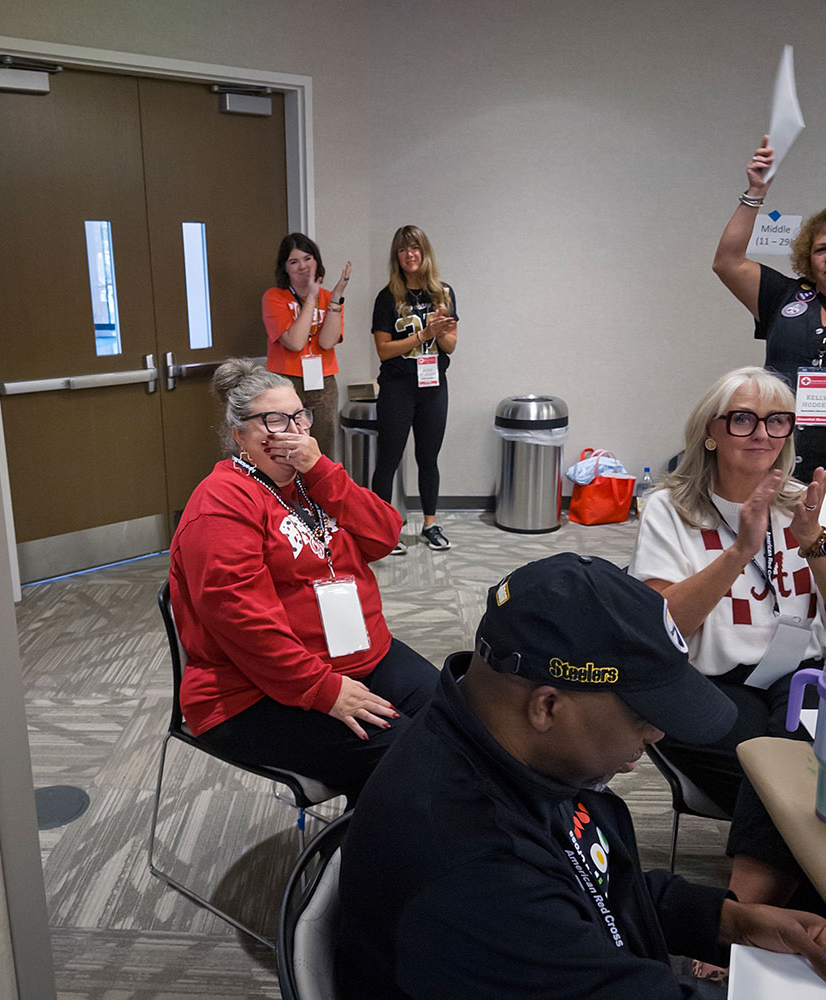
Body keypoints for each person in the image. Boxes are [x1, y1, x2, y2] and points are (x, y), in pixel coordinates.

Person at [337, 553, 826, 999]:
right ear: (547, 706)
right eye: (642, 714)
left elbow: (593, 880)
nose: (656, 734)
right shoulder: (478, 877)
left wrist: (732, 921)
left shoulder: (497, 739)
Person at [168, 359, 437, 804]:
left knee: (455, 719)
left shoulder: (312, 483)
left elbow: (385, 535)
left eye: (298, 417)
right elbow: (243, 623)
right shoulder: (221, 503)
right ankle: (371, 858)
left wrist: (325, 472)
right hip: (251, 692)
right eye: (273, 420)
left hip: (359, 654)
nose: (291, 431)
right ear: (240, 435)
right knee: (411, 758)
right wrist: (325, 690)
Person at [629, 367, 825, 910]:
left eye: (776, 421)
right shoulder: (670, 508)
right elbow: (661, 626)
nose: (762, 433)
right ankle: (754, 919)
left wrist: (813, 546)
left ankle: (749, 920)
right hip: (703, 680)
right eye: (743, 419)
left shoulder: (808, 505)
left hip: (799, 674)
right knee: (789, 765)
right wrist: (739, 550)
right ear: (710, 432)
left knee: (796, 755)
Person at [712, 135, 826, 482]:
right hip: (781, 457)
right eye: (822, 249)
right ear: (808, 257)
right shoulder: (785, 296)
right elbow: (728, 262)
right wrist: (755, 193)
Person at [370, 225, 458, 553]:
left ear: (425, 252)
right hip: (398, 386)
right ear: (397, 256)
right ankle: (383, 531)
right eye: (404, 249)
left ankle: (430, 526)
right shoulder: (387, 296)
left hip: (433, 385)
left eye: (416, 248)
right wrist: (423, 335)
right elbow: (384, 349)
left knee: (428, 457)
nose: (411, 254)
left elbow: (450, 345)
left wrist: (439, 329)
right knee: (389, 458)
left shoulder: (443, 293)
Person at [261, 233, 351, 460]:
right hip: (284, 380)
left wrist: (336, 297)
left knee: (322, 448)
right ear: (285, 268)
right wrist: (311, 298)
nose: (302, 266)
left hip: (323, 380)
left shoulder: (330, 297)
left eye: (307, 258)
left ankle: (319, 495)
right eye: (294, 261)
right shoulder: (274, 297)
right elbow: (295, 342)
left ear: (317, 262)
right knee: (285, 446)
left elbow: (327, 342)